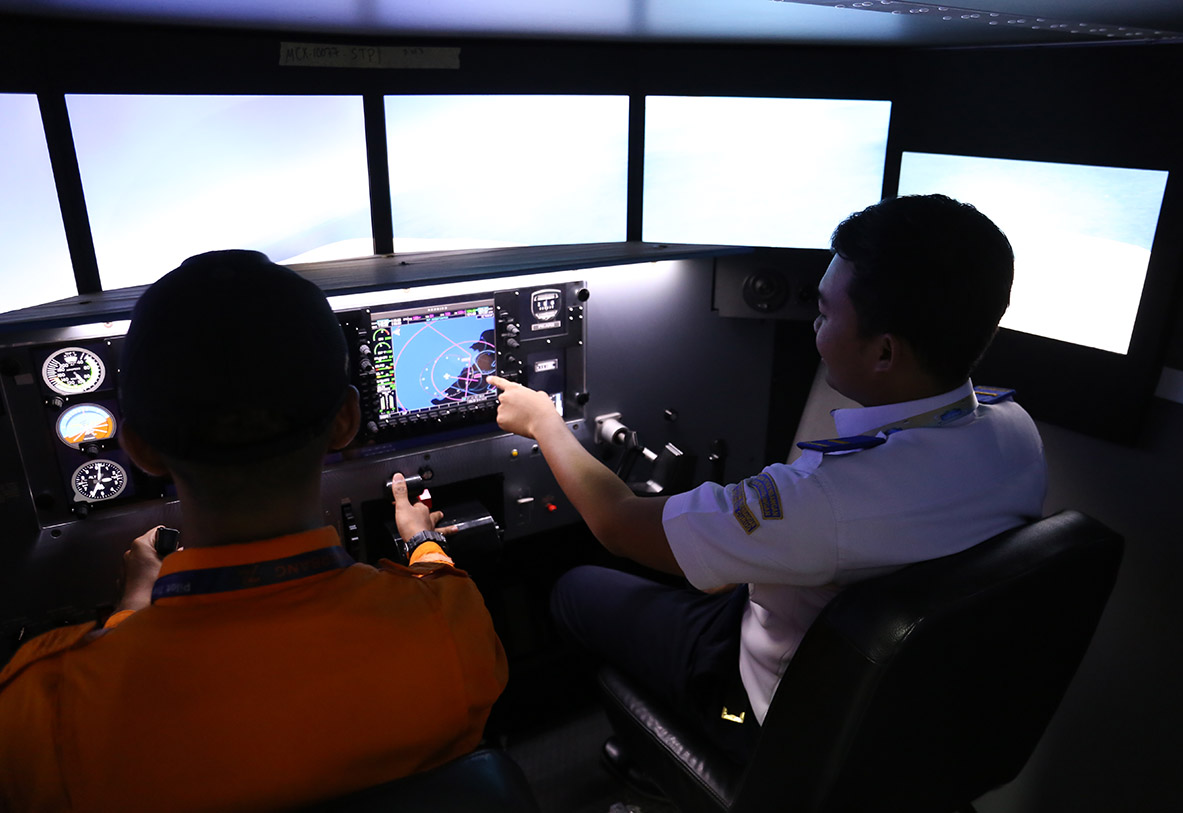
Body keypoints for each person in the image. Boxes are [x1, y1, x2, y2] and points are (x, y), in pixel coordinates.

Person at [487, 194, 1047, 771]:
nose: (813, 324)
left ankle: (656, 760)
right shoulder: (1016, 435)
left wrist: (543, 423)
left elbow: (618, 524)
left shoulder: (824, 501)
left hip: (766, 706)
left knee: (574, 588)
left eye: (826, 313)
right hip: (896, 709)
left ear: (885, 351)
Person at [0, 251, 508, 811]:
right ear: (345, 420)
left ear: (139, 447)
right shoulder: (452, 620)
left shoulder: (42, 703)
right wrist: (420, 543)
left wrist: (130, 609)